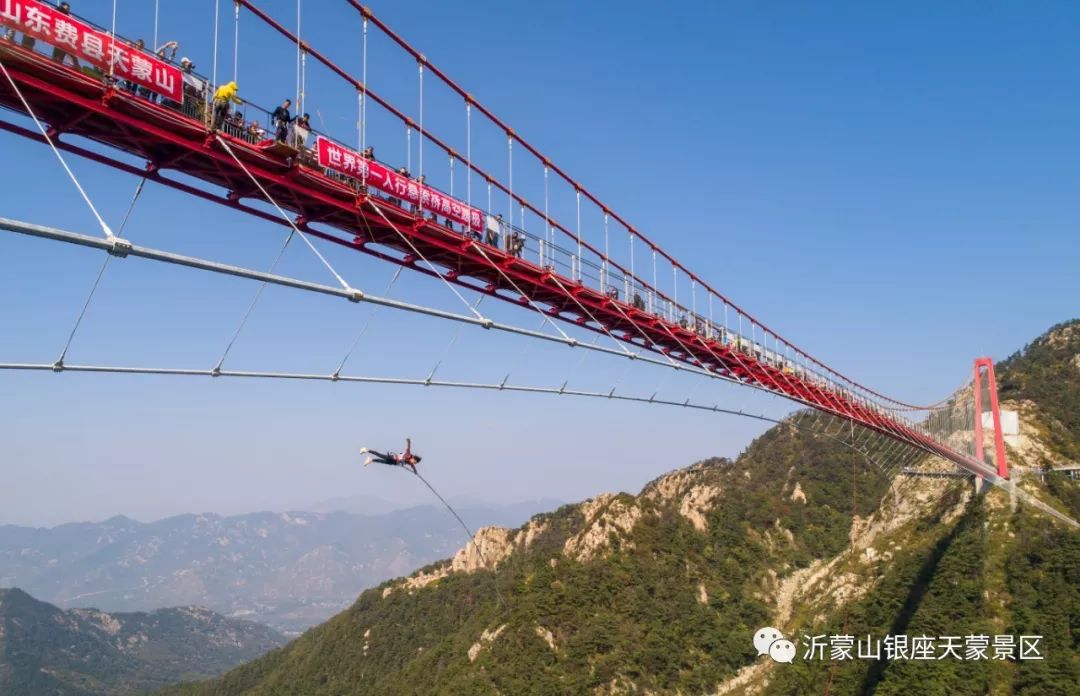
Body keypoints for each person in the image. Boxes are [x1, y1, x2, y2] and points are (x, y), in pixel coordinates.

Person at [50, 3, 79, 68]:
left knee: (73, 58)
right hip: (59, 41)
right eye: (62, 10)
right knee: (56, 59)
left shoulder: (70, 18)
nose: (63, 12)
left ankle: (76, 68)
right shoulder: (57, 14)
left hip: (69, 41)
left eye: (65, 10)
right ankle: (55, 66)